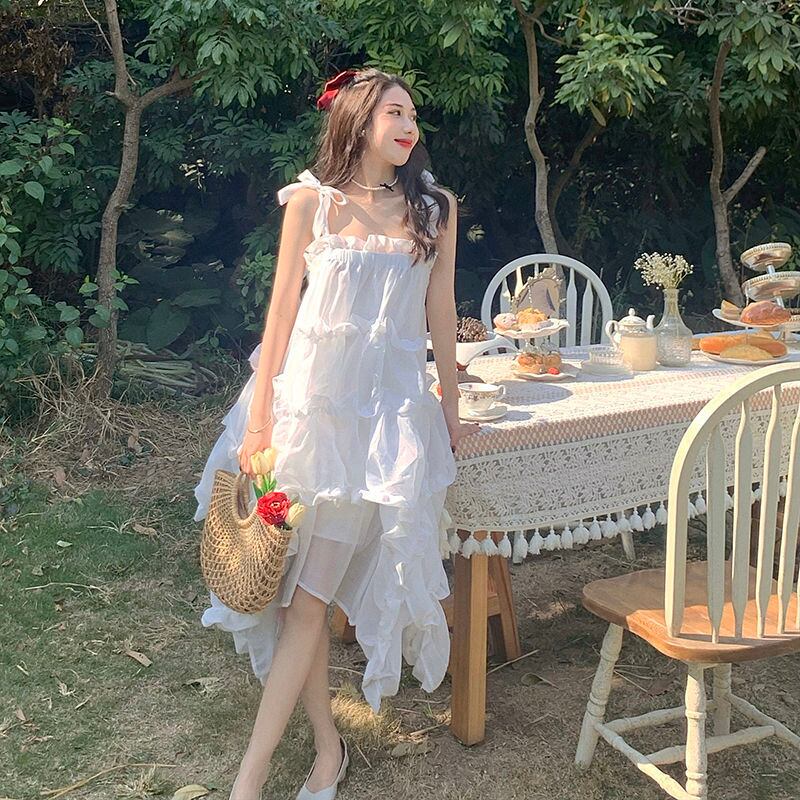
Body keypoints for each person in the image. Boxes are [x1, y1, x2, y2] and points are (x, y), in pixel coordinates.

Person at [193, 67, 481, 800]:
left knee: (308, 598)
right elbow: (281, 313)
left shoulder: (434, 209)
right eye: (393, 112)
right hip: (304, 416)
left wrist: (450, 406)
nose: (408, 125)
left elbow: (440, 313)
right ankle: (327, 749)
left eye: (412, 113)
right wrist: (260, 418)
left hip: (378, 431)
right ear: (357, 121)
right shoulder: (312, 205)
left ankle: (251, 777)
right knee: (294, 596)